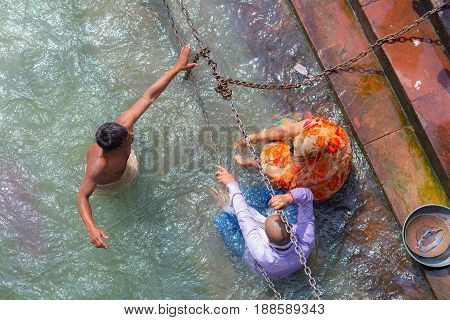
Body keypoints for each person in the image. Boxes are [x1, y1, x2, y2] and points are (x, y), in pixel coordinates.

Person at [77, 45, 197, 249]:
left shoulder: (124, 124)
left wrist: (176, 68)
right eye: (128, 138)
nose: (132, 133)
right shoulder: (98, 165)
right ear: (115, 149)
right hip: (111, 184)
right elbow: (82, 196)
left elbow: (149, 96)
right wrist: (91, 228)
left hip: (126, 167)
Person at [214, 165, 315, 278]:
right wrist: (287, 198)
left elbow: (245, 219)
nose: (275, 212)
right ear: (290, 226)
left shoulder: (261, 251)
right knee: (279, 192)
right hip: (294, 262)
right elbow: (308, 196)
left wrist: (232, 185)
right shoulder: (307, 237)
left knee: (222, 219)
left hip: (260, 261)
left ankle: (225, 205)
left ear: (266, 240)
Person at [235, 116, 352, 200]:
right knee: (287, 128)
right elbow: (286, 131)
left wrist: (253, 161)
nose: (292, 150)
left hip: (321, 186)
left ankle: (255, 161)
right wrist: (254, 138)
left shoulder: (310, 176)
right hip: (338, 165)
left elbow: (283, 177)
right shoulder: (322, 129)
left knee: (270, 158)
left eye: (297, 152)